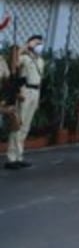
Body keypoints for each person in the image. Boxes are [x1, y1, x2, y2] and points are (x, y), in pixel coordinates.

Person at [4, 34, 45, 170]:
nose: (39, 46)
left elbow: (40, 81)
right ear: (31, 43)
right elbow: (14, 64)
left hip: (35, 93)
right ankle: (11, 157)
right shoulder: (25, 57)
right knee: (18, 124)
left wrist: (38, 99)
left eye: (40, 43)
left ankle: (19, 156)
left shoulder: (40, 61)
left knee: (26, 126)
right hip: (24, 92)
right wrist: (25, 47)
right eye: (36, 43)